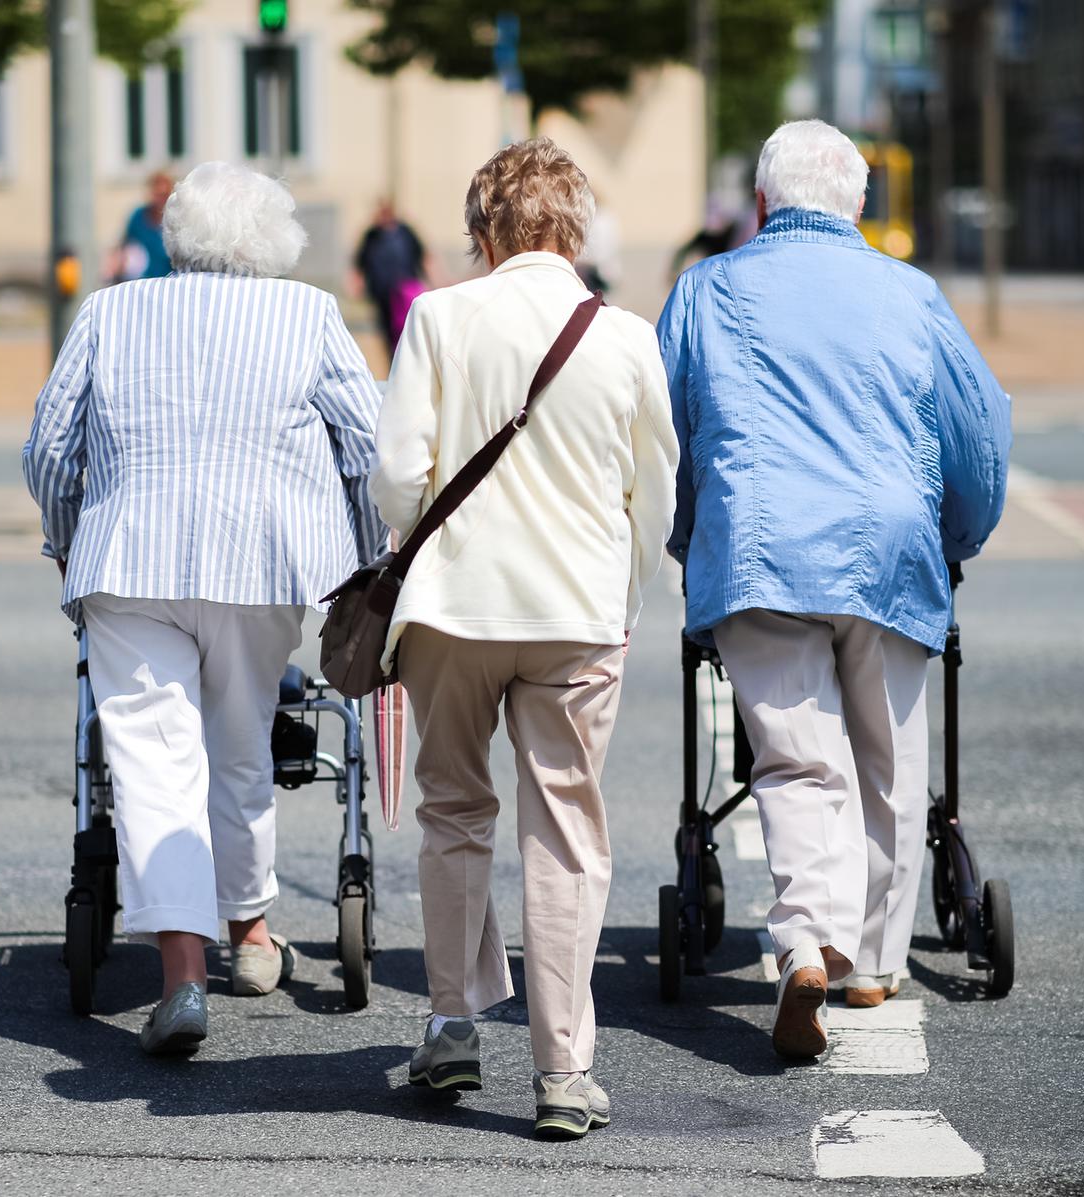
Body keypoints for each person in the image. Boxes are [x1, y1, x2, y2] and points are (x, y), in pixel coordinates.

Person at [656, 119, 1011, 1060]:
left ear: (763, 203)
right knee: (889, 761)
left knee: (795, 762)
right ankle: (871, 964)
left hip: (760, 547)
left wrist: (692, 539)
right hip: (891, 548)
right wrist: (956, 539)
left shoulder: (705, 289)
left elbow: (668, 436)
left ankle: (804, 941)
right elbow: (980, 436)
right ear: (859, 205)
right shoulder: (912, 292)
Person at [25, 161, 385, 1056]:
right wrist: (368, 557)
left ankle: (182, 977)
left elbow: (48, 445)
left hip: (129, 558)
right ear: (273, 242)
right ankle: (253, 938)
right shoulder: (307, 315)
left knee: (152, 764)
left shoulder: (109, 311)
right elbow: (370, 446)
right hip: (263, 559)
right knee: (241, 740)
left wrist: (71, 534)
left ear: (175, 235)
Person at [372, 138, 678, 1139]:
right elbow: (656, 491)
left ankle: (453, 1023)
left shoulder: (440, 318)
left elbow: (395, 473)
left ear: (483, 227)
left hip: (454, 609)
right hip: (575, 616)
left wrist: (415, 549)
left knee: (453, 814)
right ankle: (561, 1069)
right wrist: (618, 591)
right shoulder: (624, 336)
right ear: (577, 227)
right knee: (565, 836)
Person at [350, 200, 429, 357]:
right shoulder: (372, 236)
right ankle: (394, 362)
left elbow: (423, 257)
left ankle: (407, 360)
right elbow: (360, 263)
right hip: (382, 295)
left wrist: (435, 281)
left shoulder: (405, 232)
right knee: (388, 334)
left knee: (406, 331)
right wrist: (356, 285)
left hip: (405, 295)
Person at [106, 170, 175, 282]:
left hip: (166, 284)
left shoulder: (175, 221)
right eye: (157, 194)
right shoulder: (138, 217)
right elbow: (124, 247)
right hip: (139, 284)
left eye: (164, 195)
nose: (160, 200)